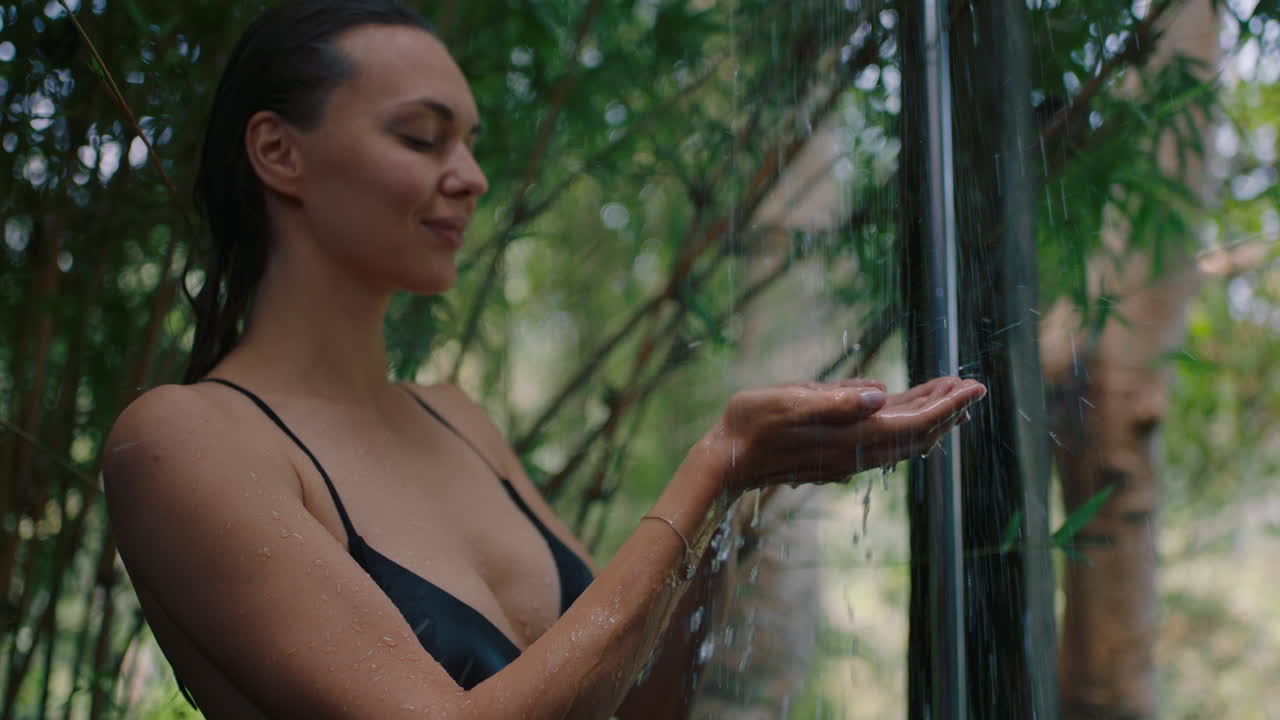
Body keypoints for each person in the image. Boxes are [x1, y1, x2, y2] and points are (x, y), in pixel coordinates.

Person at [102, 1, 987, 717]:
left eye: (473, 142)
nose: (473, 176)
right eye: (421, 138)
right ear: (278, 152)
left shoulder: (456, 417)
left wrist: (745, 493)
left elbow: (641, 706)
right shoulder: (183, 442)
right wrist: (713, 468)